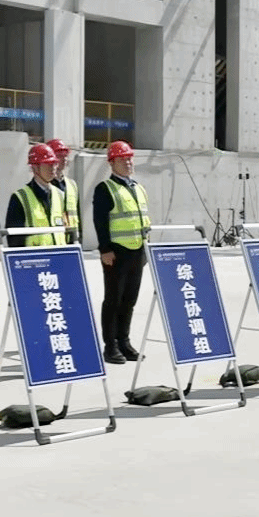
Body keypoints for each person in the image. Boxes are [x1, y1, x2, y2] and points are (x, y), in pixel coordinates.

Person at [92, 140, 150, 365]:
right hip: (116, 253)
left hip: (137, 251)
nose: (128, 162)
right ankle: (111, 346)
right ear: (111, 163)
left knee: (129, 300)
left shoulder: (138, 187)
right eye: (122, 159)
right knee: (113, 300)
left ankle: (124, 341)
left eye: (129, 158)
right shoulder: (105, 188)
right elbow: (100, 222)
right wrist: (105, 249)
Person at [5, 144, 67, 248]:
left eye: (54, 163)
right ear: (35, 168)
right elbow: (14, 239)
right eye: (47, 164)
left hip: (58, 255)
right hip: (34, 256)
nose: (53, 168)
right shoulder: (20, 197)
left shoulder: (60, 195)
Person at [46, 139, 82, 243]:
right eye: (59, 156)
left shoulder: (72, 185)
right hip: (53, 239)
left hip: (71, 239)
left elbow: (77, 213)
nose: (64, 159)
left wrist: (79, 237)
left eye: (65, 156)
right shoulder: (45, 185)